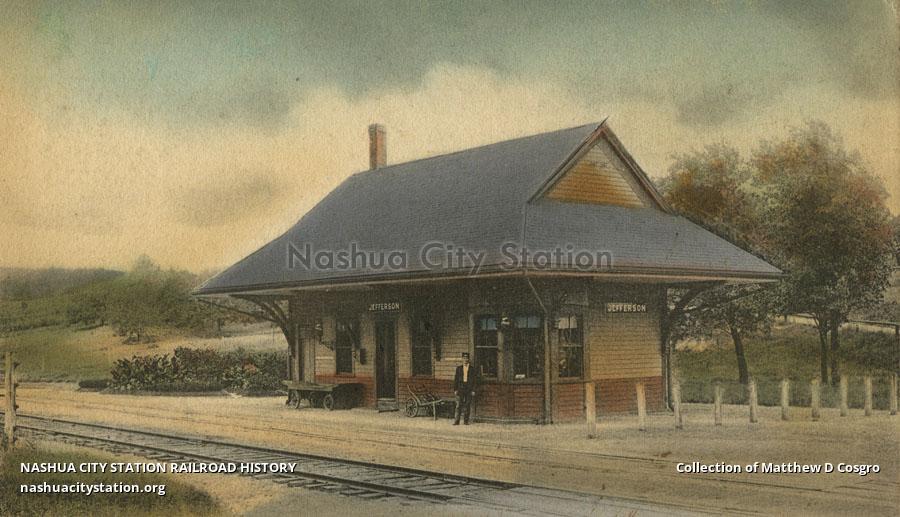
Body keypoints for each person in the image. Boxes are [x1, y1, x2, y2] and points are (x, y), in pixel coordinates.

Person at [453, 352, 478, 425]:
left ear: (468, 359)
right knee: (458, 405)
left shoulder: (472, 369)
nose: (465, 359)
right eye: (464, 358)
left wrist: (473, 390)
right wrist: (455, 389)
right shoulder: (459, 368)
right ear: (462, 359)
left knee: (467, 405)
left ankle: (466, 421)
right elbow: (456, 379)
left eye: (467, 358)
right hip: (460, 388)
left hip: (468, 388)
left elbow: (475, 380)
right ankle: (456, 421)